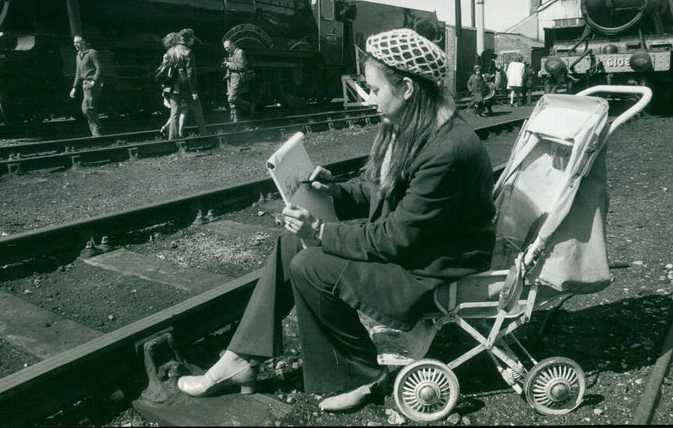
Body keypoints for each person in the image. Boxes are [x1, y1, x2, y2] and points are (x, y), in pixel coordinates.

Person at [177, 28, 496, 413]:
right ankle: (240, 358)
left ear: (407, 88)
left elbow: (395, 238)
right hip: (421, 248)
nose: (369, 99)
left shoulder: (446, 151)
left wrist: (320, 231)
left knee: (310, 265)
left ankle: (364, 376)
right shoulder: (416, 128)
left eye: (375, 90)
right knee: (290, 245)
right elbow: (383, 195)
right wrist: (335, 191)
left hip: (433, 269)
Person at [161, 31, 200, 140]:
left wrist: (164, 84)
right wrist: (194, 91)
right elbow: (190, 73)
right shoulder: (185, 52)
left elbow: (163, 70)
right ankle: (181, 132)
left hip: (171, 85)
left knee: (175, 111)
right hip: (182, 85)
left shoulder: (168, 53)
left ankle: (172, 135)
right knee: (189, 109)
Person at [69, 36, 104, 136]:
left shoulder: (92, 53)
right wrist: (74, 87)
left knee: (87, 108)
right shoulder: (78, 56)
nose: (75, 44)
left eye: (77, 42)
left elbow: (99, 68)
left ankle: (97, 131)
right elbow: (78, 73)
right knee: (88, 108)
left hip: (92, 84)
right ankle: (96, 131)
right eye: (74, 42)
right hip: (85, 84)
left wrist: (94, 81)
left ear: (83, 42)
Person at [222, 39, 255, 123]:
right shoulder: (231, 53)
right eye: (225, 48)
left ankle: (248, 105)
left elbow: (242, 66)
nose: (226, 49)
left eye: (227, 47)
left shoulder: (239, 52)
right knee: (232, 102)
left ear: (232, 45)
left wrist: (229, 65)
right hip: (230, 79)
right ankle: (234, 119)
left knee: (231, 98)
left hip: (237, 79)